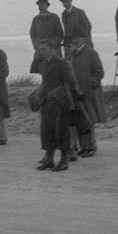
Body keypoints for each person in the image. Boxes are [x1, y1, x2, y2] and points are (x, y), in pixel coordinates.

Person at [34, 39, 80, 172]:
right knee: (47, 130)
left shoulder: (62, 64)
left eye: (44, 49)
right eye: (40, 49)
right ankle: (49, 159)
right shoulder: (43, 64)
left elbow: (71, 82)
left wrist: (65, 97)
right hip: (46, 101)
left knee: (61, 131)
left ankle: (64, 161)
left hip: (60, 102)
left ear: (52, 49)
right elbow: (44, 82)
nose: (41, 52)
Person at [69, 37, 106, 157]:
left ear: (83, 39)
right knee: (80, 120)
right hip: (78, 93)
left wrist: (91, 84)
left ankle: (91, 146)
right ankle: (83, 146)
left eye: (78, 38)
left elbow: (99, 72)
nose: (75, 41)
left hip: (89, 93)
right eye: (74, 39)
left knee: (89, 120)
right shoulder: (73, 54)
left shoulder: (91, 53)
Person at [29, 0, 64, 73]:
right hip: (40, 49)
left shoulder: (54, 17)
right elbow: (32, 34)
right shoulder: (35, 19)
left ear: (47, 6)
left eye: (43, 5)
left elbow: (60, 33)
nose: (41, 7)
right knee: (41, 69)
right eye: (39, 5)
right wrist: (36, 45)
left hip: (53, 49)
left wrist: (53, 45)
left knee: (56, 69)